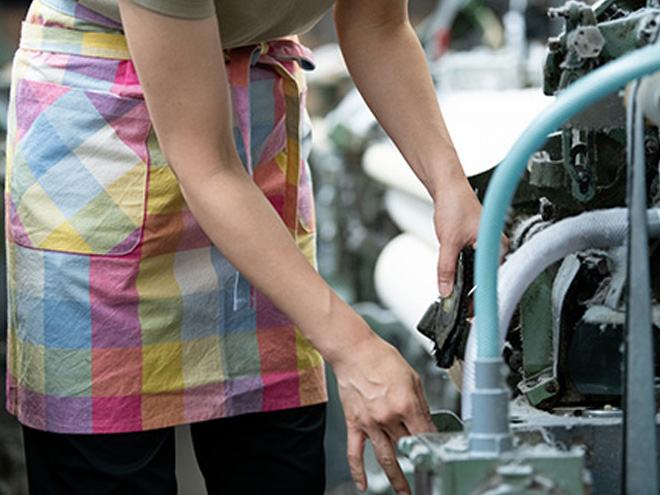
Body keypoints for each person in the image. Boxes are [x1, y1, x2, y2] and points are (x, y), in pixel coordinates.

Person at [4, 0, 484, 494]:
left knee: (274, 459)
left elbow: (376, 24)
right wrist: (356, 350)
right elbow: (206, 165)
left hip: (251, 135)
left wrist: (450, 187)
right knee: (108, 464)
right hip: (101, 148)